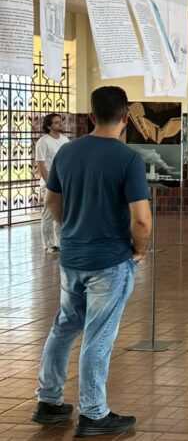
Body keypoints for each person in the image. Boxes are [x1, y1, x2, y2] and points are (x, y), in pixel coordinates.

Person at [31, 86, 150, 437]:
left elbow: (53, 202)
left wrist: (72, 227)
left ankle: (49, 401)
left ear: (89, 117)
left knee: (64, 326)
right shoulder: (128, 159)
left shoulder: (67, 153)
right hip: (109, 261)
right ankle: (94, 414)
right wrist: (139, 251)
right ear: (126, 117)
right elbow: (141, 219)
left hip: (72, 257)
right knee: (99, 335)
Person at [35, 113, 69, 254]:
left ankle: (61, 243)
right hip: (49, 183)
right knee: (49, 213)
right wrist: (50, 184)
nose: (60, 124)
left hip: (64, 182)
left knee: (61, 213)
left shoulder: (65, 140)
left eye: (60, 122)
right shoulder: (43, 142)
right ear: (49, 126)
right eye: (56, 122)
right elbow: (41, 165)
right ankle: (49, 245)